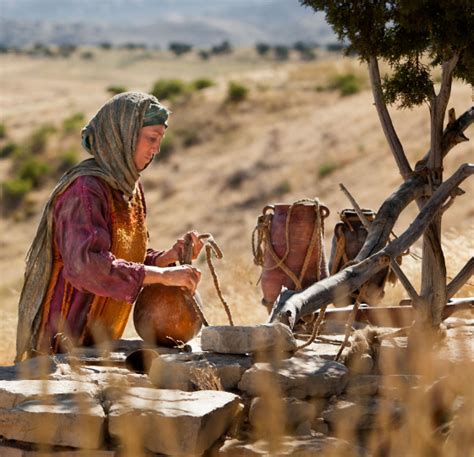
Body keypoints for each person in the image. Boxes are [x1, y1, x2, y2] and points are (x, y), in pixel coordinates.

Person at [15, 92, 202, 361]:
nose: (156, 150)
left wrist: (166, 259)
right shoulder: (85, 190)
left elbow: (121, 256)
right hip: (61, 343)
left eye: (160, 140)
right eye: (151, 138)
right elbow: (88, 266)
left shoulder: (130, 187)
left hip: (97, 341)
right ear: (122, 135)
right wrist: (162, 276)